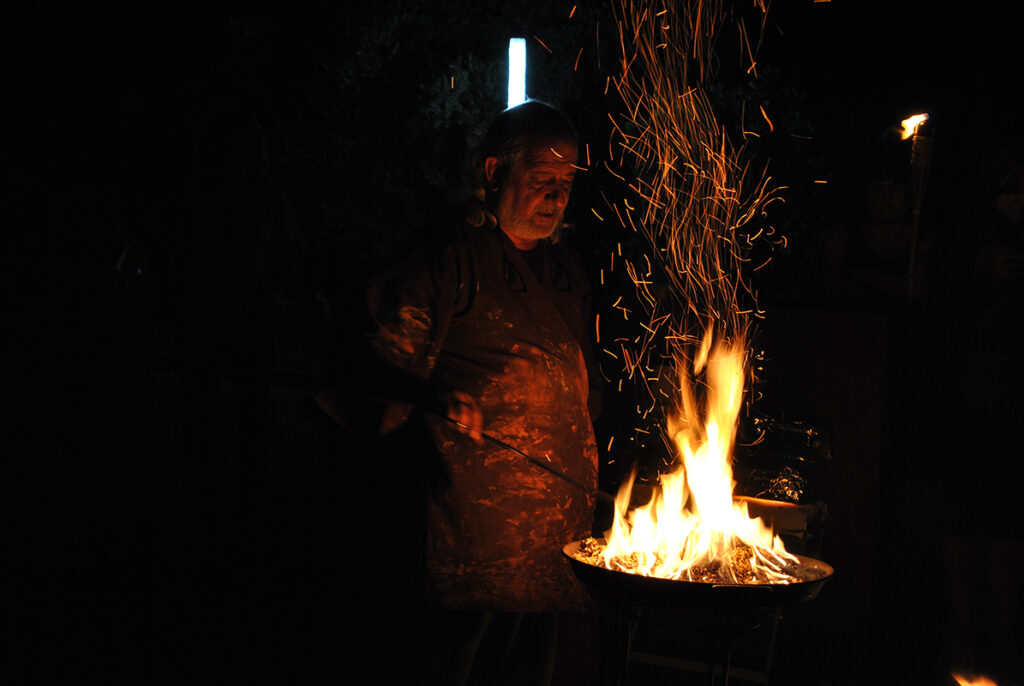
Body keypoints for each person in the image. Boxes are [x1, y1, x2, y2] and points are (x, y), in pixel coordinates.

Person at [320, 101, 601, 685]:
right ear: (494, 172)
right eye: (542, 180)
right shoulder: (447, 255)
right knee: (453, 660)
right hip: (469, 524)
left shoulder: (564, 267)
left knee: (527, 665)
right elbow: (369, 357)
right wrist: (430, 397)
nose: (557, 197)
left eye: (567, 183)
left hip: (552, 527)